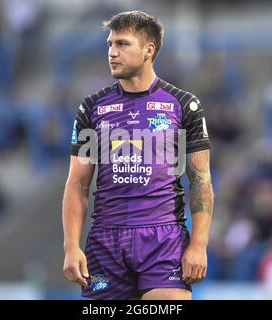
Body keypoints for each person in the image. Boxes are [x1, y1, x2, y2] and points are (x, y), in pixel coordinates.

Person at [62, 11, 214, 300]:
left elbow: (201, 181)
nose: (112, 53)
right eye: (109, 44)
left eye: (122, 44)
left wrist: (199, 245)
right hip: (106, 241)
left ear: (148, 49)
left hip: (164, 241)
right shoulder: (91, 108)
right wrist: (71, 246)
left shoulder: (184, 105)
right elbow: (77, 184)